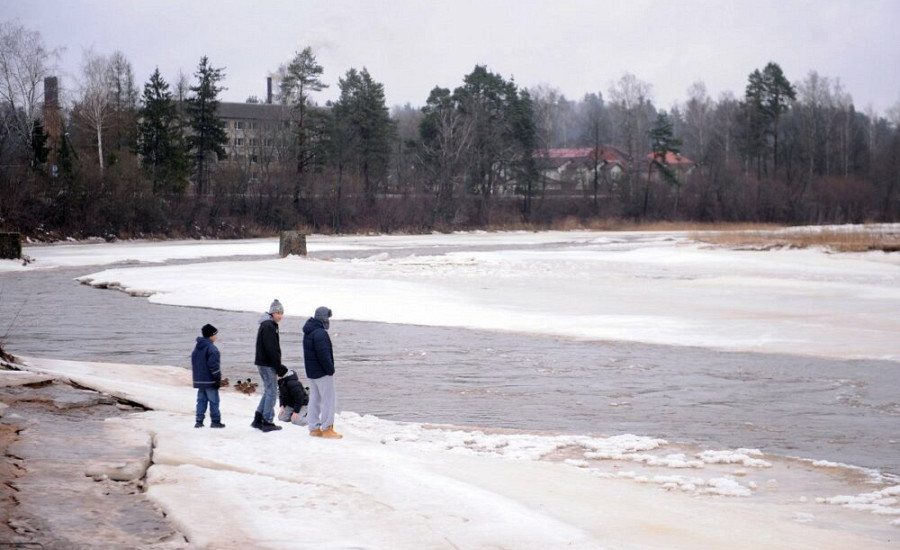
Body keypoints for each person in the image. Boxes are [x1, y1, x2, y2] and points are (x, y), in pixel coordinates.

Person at [303, 306, 341, 438]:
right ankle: (327, 428)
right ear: (323, 318)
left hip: (311, 372)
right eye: (327, 318)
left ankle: (313, 428)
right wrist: (330, 369)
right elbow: (323, 354)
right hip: (322, 372)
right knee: (328, 400)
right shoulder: (320, 333)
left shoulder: (309, 331)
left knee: (314, 399)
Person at [253, 299, 285, 432]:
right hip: (267, 364)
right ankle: (267, 421)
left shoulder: (268, 324)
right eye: (279, 313)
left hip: (264, 363)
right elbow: (271, 349)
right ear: (273, 313)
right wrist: (278, 366)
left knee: (268, 390)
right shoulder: (269, 326)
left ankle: (258, 419)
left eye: (282, 313)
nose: (281, 315)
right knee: (272, 392)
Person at [192, 323, 225, 428]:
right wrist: (217, 379)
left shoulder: (197, 347)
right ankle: (215, 421)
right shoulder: (212, 349)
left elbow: (195, 362)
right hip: (210, 381)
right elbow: (214, 366)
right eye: (215, 334)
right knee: (214, 400)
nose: (217, 336)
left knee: (201, 400)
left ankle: (199, 421)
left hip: (200, 380)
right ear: (211, 336)